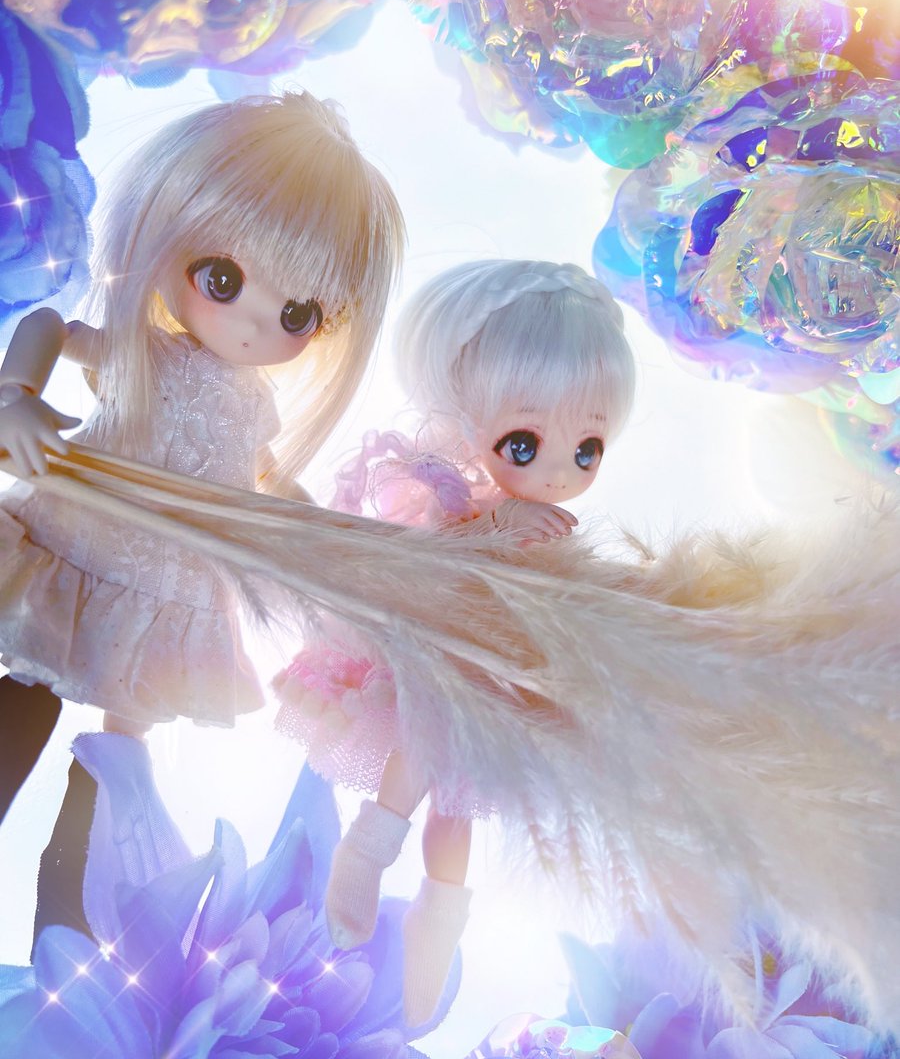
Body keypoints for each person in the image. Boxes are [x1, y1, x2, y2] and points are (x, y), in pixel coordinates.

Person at [0, 91, 405, 945]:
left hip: (169, 595)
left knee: (120, 762)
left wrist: (324, 538)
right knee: (24, 690)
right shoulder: (143, 353)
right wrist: (15, 395)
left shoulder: (252, 404)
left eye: (297, 315)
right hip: (77, 546)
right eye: (222, 279)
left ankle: (73, 918)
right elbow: (50, 325)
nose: (256, 325)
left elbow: (266, 483)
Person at [275, 259, 636, 1025]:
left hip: (500, 682)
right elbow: (424, 568)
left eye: (588, 449)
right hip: (438, 663)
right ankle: (367, 851)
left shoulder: (555, 528)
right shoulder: (450, 498)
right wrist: (497, 526)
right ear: (468, 420)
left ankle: (437, 924)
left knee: (459, 810)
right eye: (524, 443)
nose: (561, 473)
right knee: (425, 739)